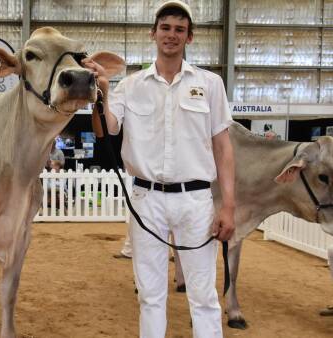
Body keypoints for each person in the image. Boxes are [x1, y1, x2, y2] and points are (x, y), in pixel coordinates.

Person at [84, 1, 236, 337]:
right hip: (145, 198)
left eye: (179, 29)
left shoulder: (210, 84)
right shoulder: (131, 85)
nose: (171, 35)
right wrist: (101, 94)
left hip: (195, 200)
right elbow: (105, 129)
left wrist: (228, 205)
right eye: (165, 28)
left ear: (189, 37)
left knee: (204, 295)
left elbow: (224, 148)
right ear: (153, 33)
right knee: (151, 295)